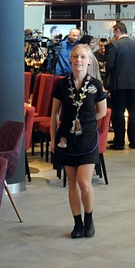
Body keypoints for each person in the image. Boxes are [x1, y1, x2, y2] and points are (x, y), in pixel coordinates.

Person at [49, 44, 108, 239]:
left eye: (82, 57)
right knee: (72, 183)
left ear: (89, 60)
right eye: (75, 56)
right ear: (70, 59)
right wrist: (52, 139)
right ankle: (77, 223)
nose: (78, 60)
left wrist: (86, 122)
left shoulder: (95, 85)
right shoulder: (61, 85)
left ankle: (89, 219)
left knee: (84, 182)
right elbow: (54, 114)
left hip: (87, 137)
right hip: (66, 138)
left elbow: (102, 111)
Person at [106, 22, 135, 150]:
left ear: (117, 31)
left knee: (118, 113)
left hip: (118, 83)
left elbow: (110, 65)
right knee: (132, 113)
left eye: (114, 32)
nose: (113, 35)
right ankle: (133, 142)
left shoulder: (115, 45)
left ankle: (119, 142)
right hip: (132, 83)